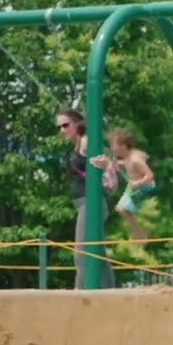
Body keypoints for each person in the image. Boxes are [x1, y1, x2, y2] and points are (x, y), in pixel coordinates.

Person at [56, 109, 115, 289]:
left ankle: (80, 293)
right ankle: (108, 290)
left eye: (65, 125)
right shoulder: (78, 144)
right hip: (85, 203)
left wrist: (106, 165)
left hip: (92, 203)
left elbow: (108, 161)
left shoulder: (86, 141)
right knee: (97, 250)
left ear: (76, 124)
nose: (62, 130)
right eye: (59, 127)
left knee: (82, 251)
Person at [90, 129, 157, 243]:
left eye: (114, 145)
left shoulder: (135, 160)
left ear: (123, 146)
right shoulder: (127, 158)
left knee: (121, 208)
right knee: (119, 208)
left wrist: (138, 183)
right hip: (133, 187)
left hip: (145, 188)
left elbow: (150, 175)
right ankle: (138, 231)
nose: (112, 148)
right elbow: (120, 163)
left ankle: (140, 233)